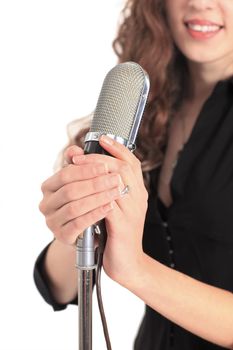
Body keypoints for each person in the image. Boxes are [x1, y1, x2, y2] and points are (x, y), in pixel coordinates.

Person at [34, 0, 233, 349]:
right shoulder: (143, 101)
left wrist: (137, 270)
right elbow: (59, 287)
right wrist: (73, 220)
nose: (201, 3)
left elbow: (132, 267)